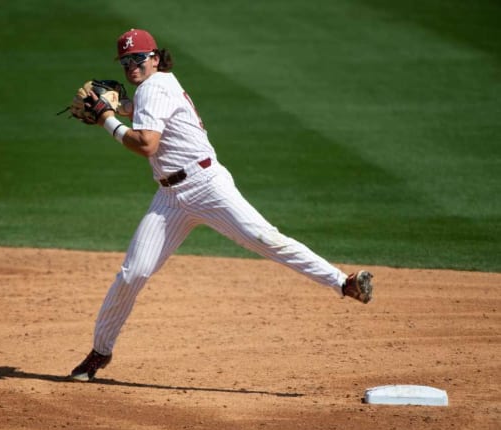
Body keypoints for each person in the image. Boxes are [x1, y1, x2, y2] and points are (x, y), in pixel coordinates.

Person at [69, 29, 374, 382]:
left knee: (264, 237)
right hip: (169, 198)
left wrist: (107, 118)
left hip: (207, 186)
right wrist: (118, 106)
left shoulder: (155, 86)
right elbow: (144, 111)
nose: (131, 66)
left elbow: (146, 144)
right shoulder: (156, 87)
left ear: (154, 57)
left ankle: (343, 282)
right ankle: (99, 352)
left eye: (137, 58)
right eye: (125, 62)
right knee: (133, 273)